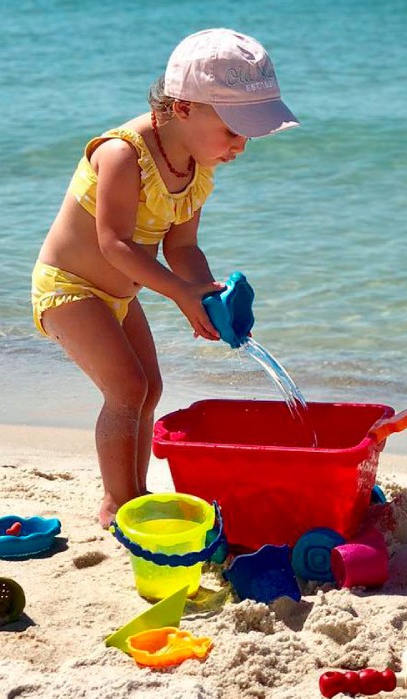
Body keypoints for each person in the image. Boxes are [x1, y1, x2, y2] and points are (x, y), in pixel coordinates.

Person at [32, 28, 299, 527]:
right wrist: (179, 294)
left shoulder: (198, 168)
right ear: (182, 108)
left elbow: (182, 247)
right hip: (69, 288)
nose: (240, 145)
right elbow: (113, 242)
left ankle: (135, 496)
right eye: (232, 129)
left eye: (248, 134)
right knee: (126, 390)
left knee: (149, 388)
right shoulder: (122, 155)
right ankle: (117, 503)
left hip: (119, 292)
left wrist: (203, 293)